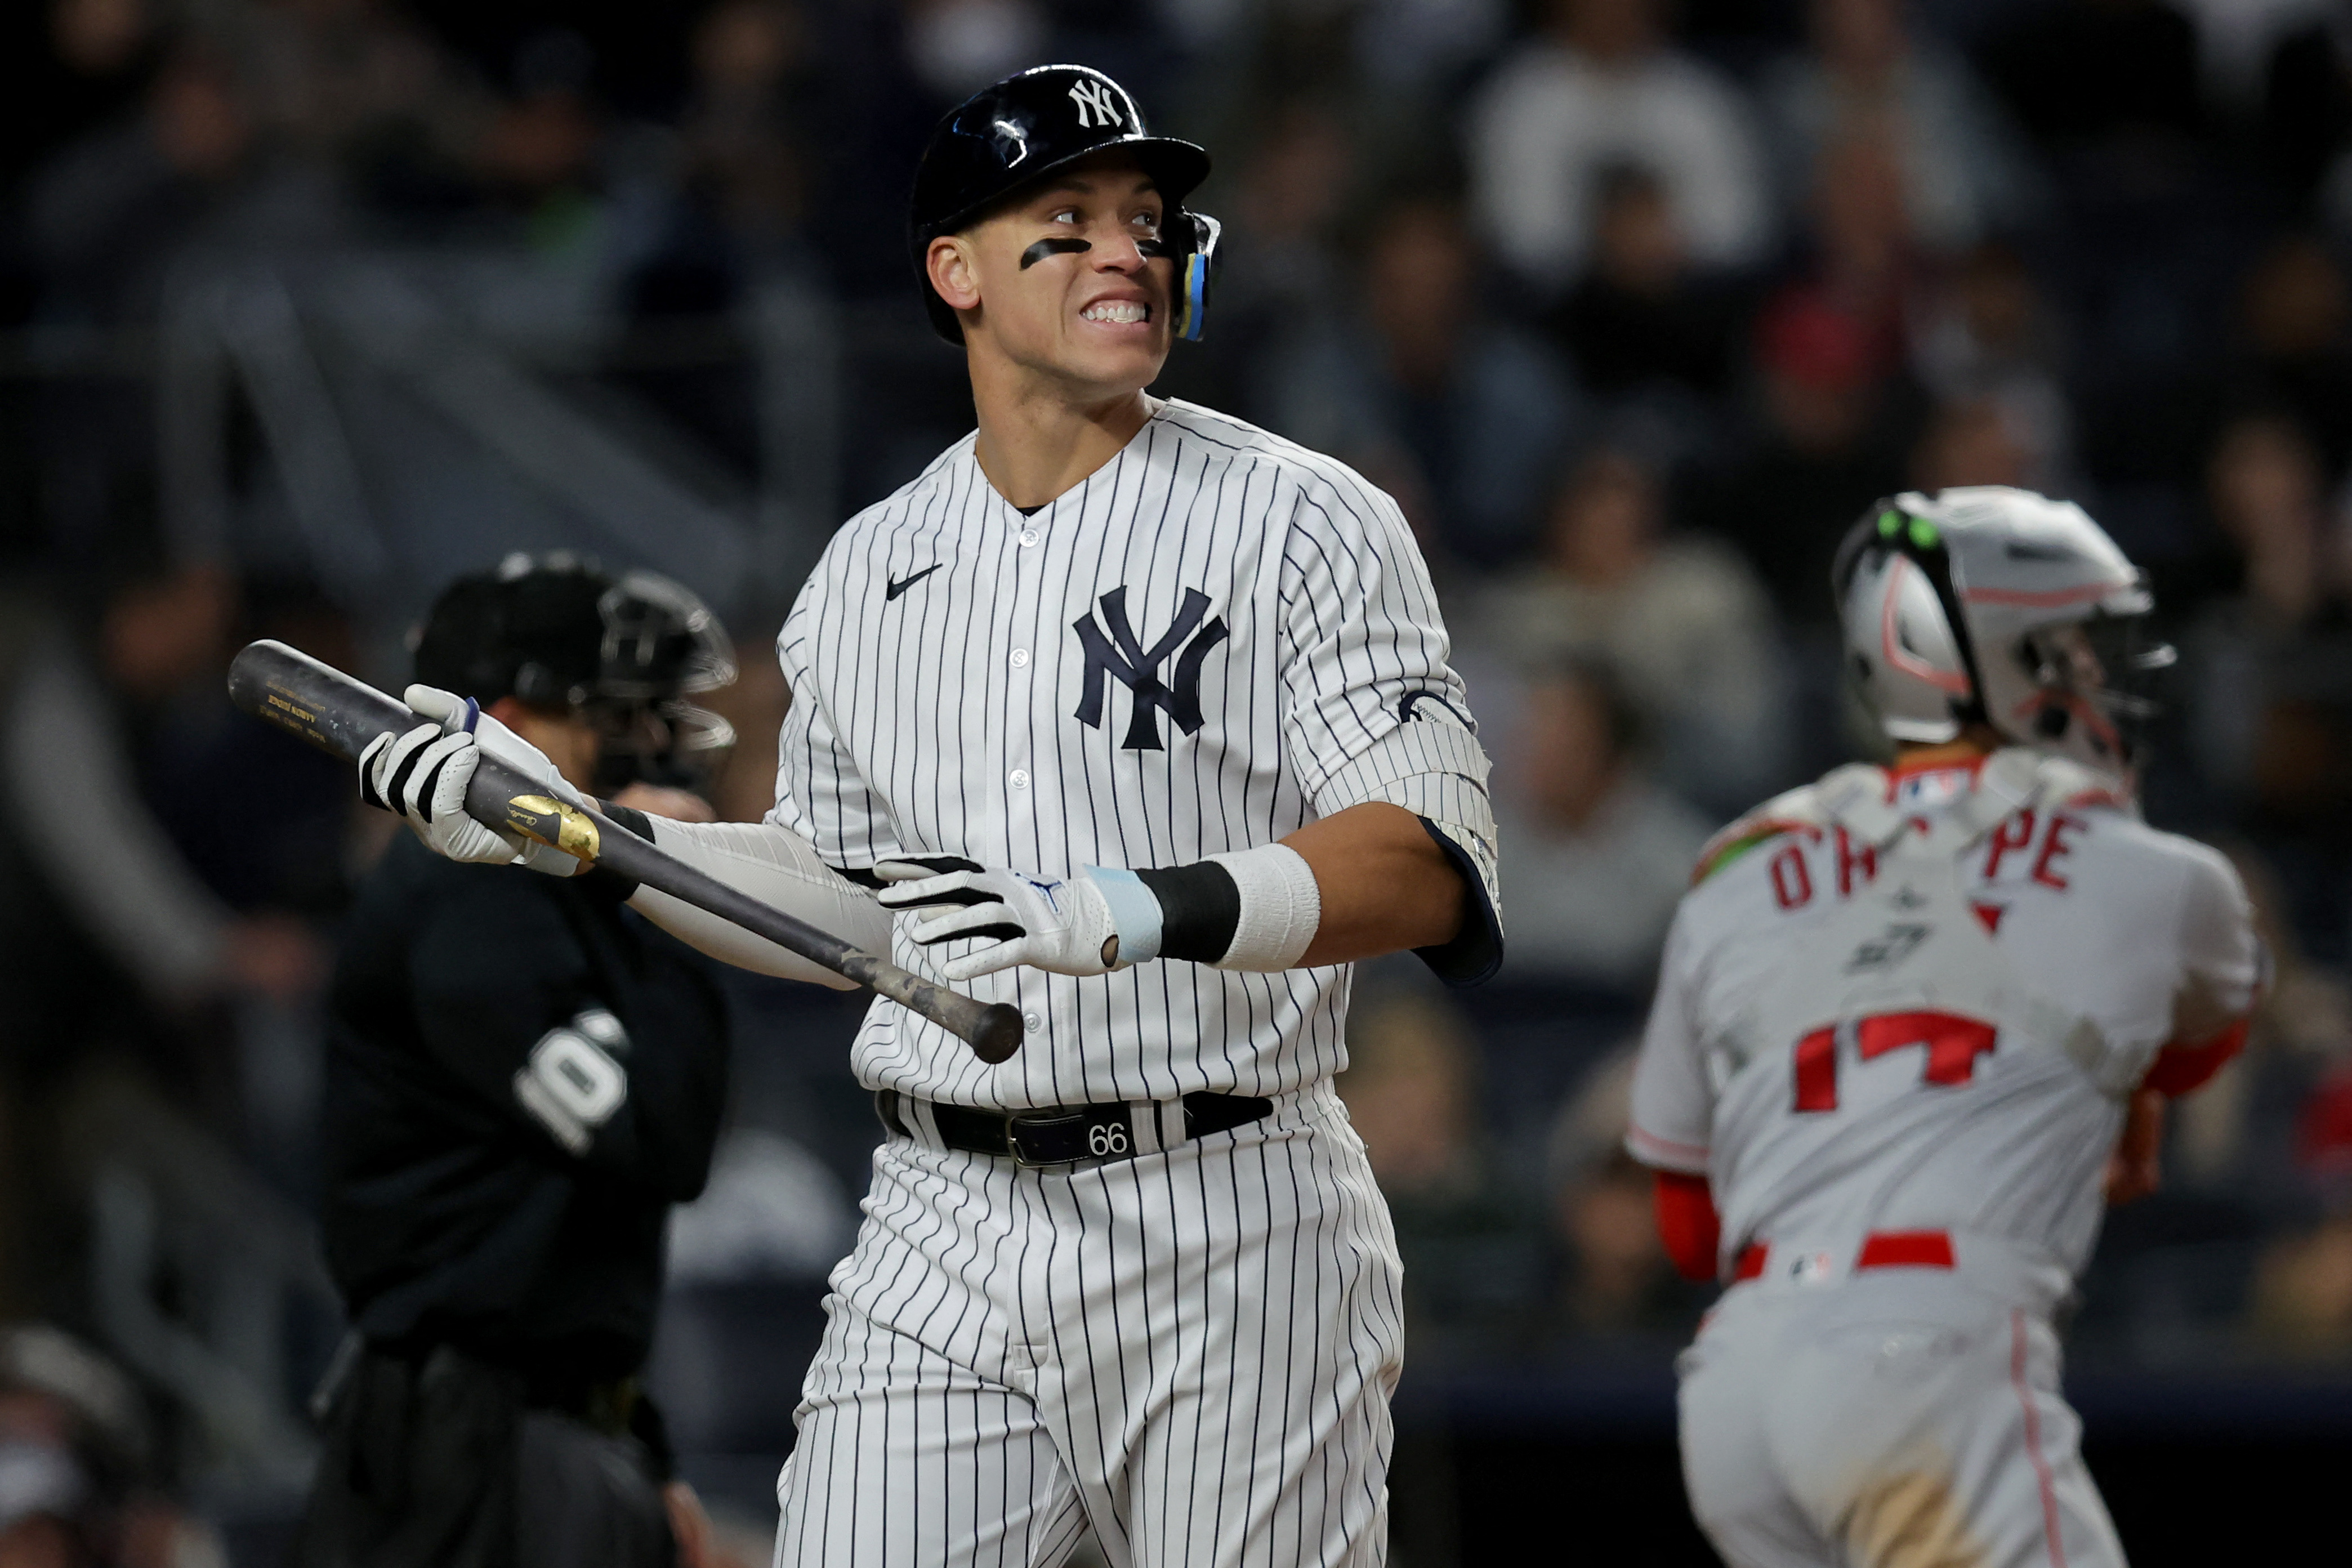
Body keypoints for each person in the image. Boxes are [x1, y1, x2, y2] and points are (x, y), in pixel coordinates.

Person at [351, 63, 1503, 1567]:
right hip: (945, 1215)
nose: (1125, 249)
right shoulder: (868, 570)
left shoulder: (1307, 516)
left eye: (1148, 219)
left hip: (1236, 1207)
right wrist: (557, 828)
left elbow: (1423, 862)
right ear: (953, 270)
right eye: (1068, 217)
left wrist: (1114, 910)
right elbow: (837, 899)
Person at [1625, 486, 2264, 1567]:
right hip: (1926, 1358)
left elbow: (1689, 1227)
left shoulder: (1734, 870)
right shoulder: (2162, 877)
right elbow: (2198, 1049)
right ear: (2009, 659)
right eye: (2079, 646)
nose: (2103, 677)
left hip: (1737, 1392)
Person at [294, 556, 740, 1568]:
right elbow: (660, 1135)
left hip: (533, 1426)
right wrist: (672, 900)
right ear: (507, 719)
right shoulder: (468, 898)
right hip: (463, 1455)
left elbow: (566, 1247)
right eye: (606, 716)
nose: (641, 746)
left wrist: (633, 1438)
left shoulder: (535, 887)